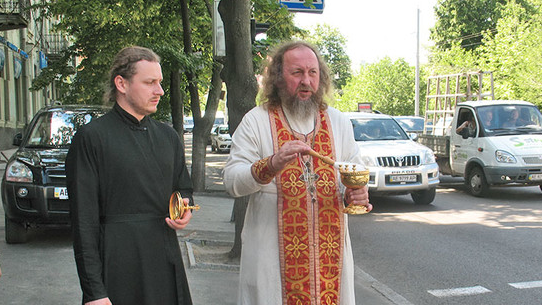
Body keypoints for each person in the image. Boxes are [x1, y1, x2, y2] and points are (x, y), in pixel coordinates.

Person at [223, 41, 371, 305]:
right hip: (272, 261)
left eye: (312, 73)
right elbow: (233, 182)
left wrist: (355, 192)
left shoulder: (338, 122)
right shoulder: (256, 120)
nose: (306, 81)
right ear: (278, 78)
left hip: (330, 264)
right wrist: (270, 165)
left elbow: (353, 170)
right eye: (297, 73)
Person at [66, 46, 194, 305]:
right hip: (117, 261)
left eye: (159, 82)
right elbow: (83, 222)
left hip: (164, 255)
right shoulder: (91, 138)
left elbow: (183, 188)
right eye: (150, 83)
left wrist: (184, 208)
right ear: (121, 84)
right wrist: (94, 292)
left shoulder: (168, 137)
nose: (159, 91)